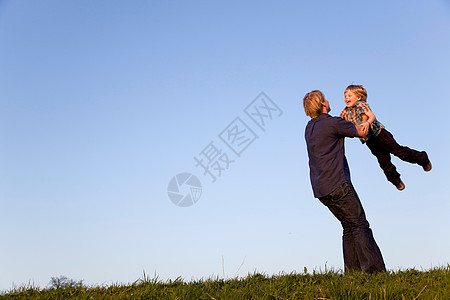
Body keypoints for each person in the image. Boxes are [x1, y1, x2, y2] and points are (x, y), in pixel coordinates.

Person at [303, 90, 386, 274]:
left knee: (348, 226)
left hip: (321, 189)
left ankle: (353, 273)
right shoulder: (333, 122)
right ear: (323, 104)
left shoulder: (309, 128)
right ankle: (375, 272)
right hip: (338, 184)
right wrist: (367, 117)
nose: (328, 100)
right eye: (325, 98)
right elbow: (362, 131)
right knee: (360, 224)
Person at [340, 85, 431, 190]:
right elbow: (341, 124)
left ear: (359, 97)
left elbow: (371, 116)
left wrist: (367, 123)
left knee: (400, 152)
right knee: (384, 162)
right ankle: (396, 181)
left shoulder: (361, 105)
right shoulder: (345, 112)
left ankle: (423, 159)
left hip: (381, 135)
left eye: (349, 95)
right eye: (345, 96)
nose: (346, 98)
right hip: (371, 141)